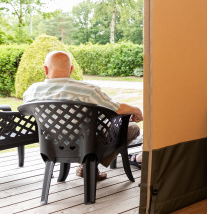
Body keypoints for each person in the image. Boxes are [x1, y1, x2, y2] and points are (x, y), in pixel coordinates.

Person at [23, 51, 143, 181]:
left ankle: (87, 166)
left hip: (52, 143)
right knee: (132, 128)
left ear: (45, 69)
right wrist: (135, 109)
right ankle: (90, 165)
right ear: (71, 69)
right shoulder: (88, 90)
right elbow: (117, 109)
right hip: (87, 144)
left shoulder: (31, 92)